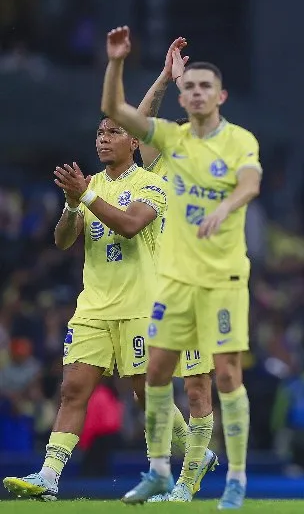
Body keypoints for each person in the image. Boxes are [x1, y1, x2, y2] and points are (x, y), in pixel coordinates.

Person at [2, 115, 209, 500]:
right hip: (93, 307)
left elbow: (131, 226)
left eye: (113, 132)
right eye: (99, 132)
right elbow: (63, 241)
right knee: (72, 390)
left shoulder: (152, 184)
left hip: (141, 306)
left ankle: (185, 458)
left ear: (134, 143)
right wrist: (69, 206)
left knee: (147, 396)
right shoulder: (90, 186)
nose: (103, 139)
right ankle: (49, 476)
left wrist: (86, 197)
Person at [100, 26, 262, 510]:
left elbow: (251, 183)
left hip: (220, 278)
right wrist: (140, 71)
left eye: (202, 86)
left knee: (207, 384)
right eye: (189, 86)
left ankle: (213, 481)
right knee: (153, 376)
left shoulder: (238, 141)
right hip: (171, 281)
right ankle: (159, 471)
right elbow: (121, 114)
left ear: (221, 95)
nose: (196, 93)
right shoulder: (167, 147)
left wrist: (226, 205)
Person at [134, 37, 218, 503]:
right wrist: (165, 77)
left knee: (198, 385)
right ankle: (193, 454)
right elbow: (137, 126)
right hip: (156, 290)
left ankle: (186, 485)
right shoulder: (162, 157)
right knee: (148, 386)